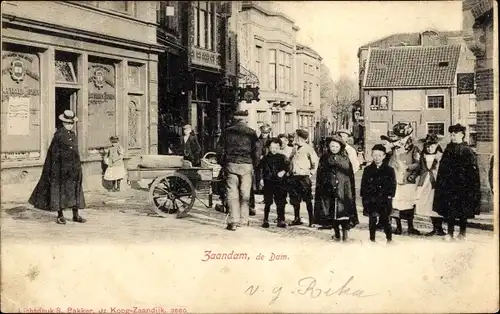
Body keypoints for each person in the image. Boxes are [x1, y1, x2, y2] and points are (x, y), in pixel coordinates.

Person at [28, 110, 86, 224]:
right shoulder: (58, 135)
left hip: (74, 170)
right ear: (63, 123)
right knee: (59, 192)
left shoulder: (73, 135)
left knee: (75, 191)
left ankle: (76, 215)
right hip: (61, 169)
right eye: (68, 123)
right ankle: (60, 215)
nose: (70, 125)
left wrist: (78, 167)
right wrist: (56, 170)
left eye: (71, 123)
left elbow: (75, 152)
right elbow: (53, 154)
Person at [433, 124, 481, 240]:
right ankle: (450, 233)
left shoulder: (467, 150)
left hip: (463, 187)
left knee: (462, 211)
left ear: (462, 135)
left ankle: (462, 234)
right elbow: (442, 168)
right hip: (449, 186)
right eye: (451, 134)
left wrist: (470, 186)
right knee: (450, 211)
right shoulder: (448, 149)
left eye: (455, 134)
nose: (452, 137)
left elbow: (472, 171)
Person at [216, 110, 259, 231]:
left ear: (235, 119)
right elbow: (257, 151)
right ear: (245, 120)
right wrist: (254, 165)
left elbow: (219, 149)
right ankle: (244, 220)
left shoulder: (227, 131)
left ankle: (233, 221)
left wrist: (223, 163)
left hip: (231, 164)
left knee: (232, 193)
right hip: (246, 165)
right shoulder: (251, 133)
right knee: (245, 193)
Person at [314, 135, 356, 241]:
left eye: (336, 146)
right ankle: (337, 234)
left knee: (344, 213)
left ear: (340, 147)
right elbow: (320, 174)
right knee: (332, 213)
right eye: (332, 146)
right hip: (329, 190)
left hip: (343, 191)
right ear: (329, 146)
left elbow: (349, 175)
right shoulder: (324, 158)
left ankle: (345, 236)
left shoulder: (345, 158)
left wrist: (348, 189)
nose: (334, 149)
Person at [389, 122, 421, 235]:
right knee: (396, 203)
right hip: (396, 179)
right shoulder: (393, 148)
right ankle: (398, 227)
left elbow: (418, 163)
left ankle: (410, 226)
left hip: (408, 179)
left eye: (404, 137)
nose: (401, 139)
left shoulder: (414, 148)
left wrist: (408, 168)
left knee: (409, 203)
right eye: (399, 137)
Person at [411, 134, 446, 236]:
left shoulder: (440, 157)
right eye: (428, 146)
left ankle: (439, 228)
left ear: (436, 146)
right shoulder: (423, 156)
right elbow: (419, 169)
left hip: (436, 183)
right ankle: (434, 227)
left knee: (436, 205)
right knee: (428, 206)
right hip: (424, 183)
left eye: (432, 146)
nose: (430, 148)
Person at [361, 144, 397, 243]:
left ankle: (389, 239)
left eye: (380, 155)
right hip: (371, 199)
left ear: (384, 156)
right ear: (372, 155)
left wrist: (390, 196)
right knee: (372, 219)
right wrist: (364, 198)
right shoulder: (367, 170)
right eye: (375, 155)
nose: (377, 158)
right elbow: (363, 185)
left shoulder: (389, 170)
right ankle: (372, 238)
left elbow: (393, 185)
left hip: (384, 199)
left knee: (385, 220)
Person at [288, 128, 319, 227]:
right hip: (294, 177)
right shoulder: (295, 147)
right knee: (295, 199)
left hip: (304, 178)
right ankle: (297, 218)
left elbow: (315, 162)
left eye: (296, 137)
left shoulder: (309, 149)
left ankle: (311, 220)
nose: (295, 138)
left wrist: (310, 174)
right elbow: (290, 159)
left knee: (307, 199)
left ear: (302, 138)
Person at [259, 138, 289, 228]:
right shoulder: (265, 158)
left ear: (279, 147)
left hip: (280, 183)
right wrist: (261, 179)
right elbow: (261, 169)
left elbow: (288, 167)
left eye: (276, 147)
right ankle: (265, 219)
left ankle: (281, 219)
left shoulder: (282, 157)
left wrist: (283, 171)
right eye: (272, 147)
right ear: (268, 147)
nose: (274, 149)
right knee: (268, 201)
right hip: (268, 182)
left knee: (280, 202)